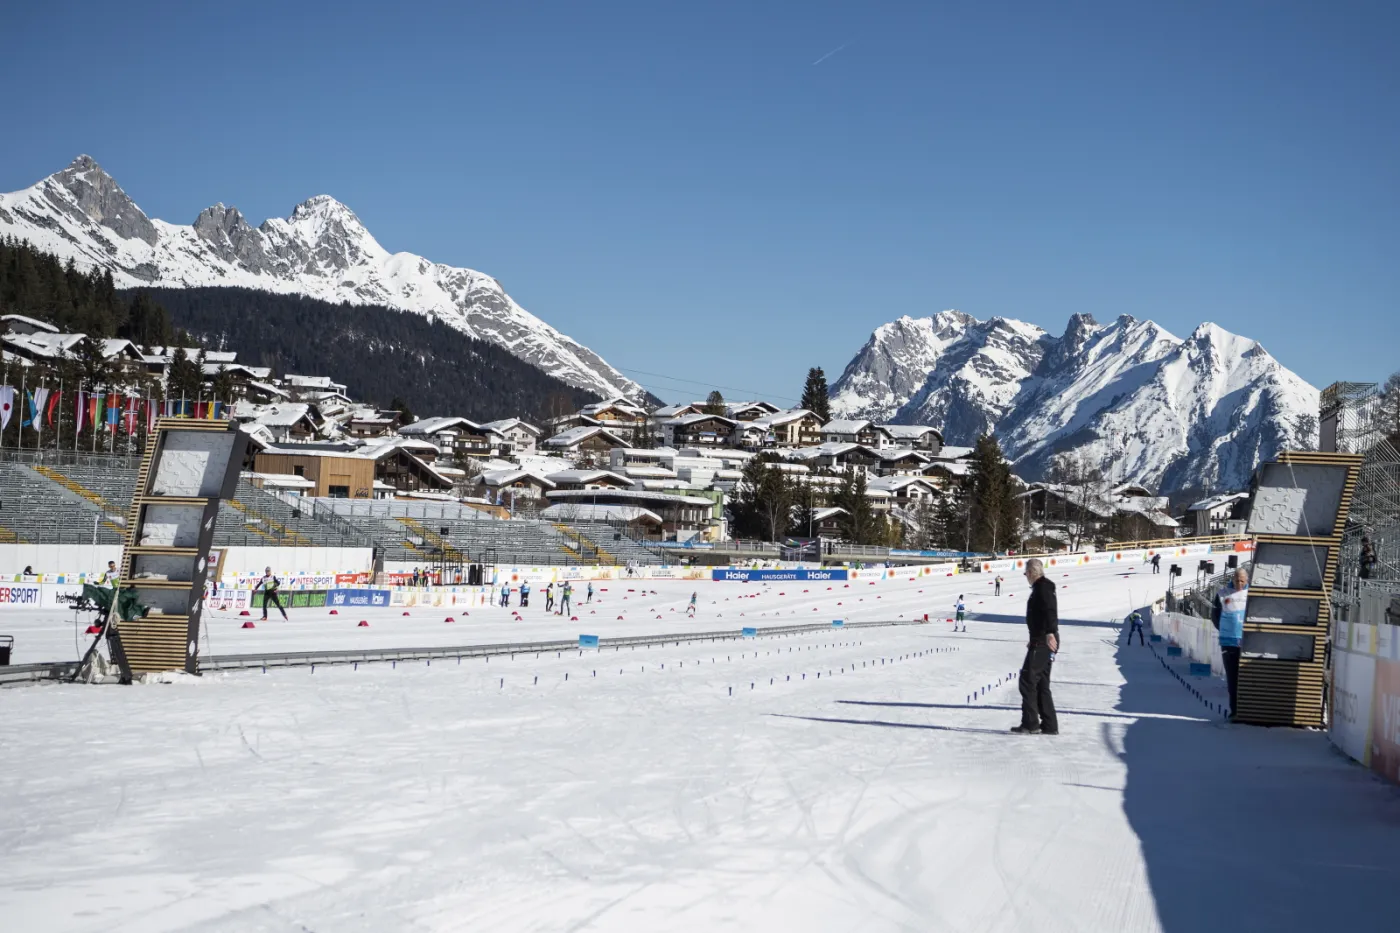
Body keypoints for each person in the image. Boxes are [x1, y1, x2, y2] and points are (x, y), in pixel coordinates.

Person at [1012, 558, 1059, 735]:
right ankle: (1049, 724)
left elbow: (1049, 611)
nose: (1026, 577)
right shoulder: (1042, 587)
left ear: (1032, 573)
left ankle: (1031, 723)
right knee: (1041, 683)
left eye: (1026, 573)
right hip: (1041, 639)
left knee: (1027, 680)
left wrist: (1049, 632)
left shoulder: (1043, 588)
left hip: (1044, 640)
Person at [1212, 567, 1248, 717]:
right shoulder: (1222, 594)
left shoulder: (1251, 594)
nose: (1239, 583)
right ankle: (1235, 711)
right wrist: (1225, 629)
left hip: (1248, 642)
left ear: (1246, 581)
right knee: (1232, 678)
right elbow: (1214, 616)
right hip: (1229, 642)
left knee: (1246, 678)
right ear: (1232, 579)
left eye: (1242, 581)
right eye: (1236, 580)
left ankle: (1247, 710)